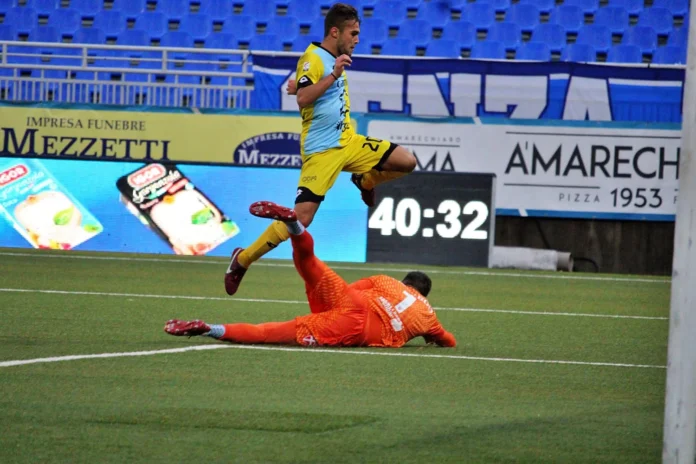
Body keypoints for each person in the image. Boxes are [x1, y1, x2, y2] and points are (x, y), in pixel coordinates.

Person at [224, 3, 418, 296]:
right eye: (353, 33)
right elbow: (303, 98)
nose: (357, 39)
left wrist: (320, 80)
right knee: (301, 219)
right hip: (322, 151)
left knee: (406, 161)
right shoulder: (315, 58)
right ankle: (242, 259)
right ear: (334, 31)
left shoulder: (332, 58)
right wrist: (332, 75)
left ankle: (363, 179)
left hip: (349, 142)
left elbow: (306, 90)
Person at [169, 201, 455, 349]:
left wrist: (329, 301)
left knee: (308, 260)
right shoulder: (429, 316)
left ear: (406, 282)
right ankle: (210, 328)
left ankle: (294, 226)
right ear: (423, 293)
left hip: (351, 300)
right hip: (355, 327)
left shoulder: (387, 281)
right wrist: (431, 338)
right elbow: (449, 341)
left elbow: (353, 287)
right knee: (270, 333)